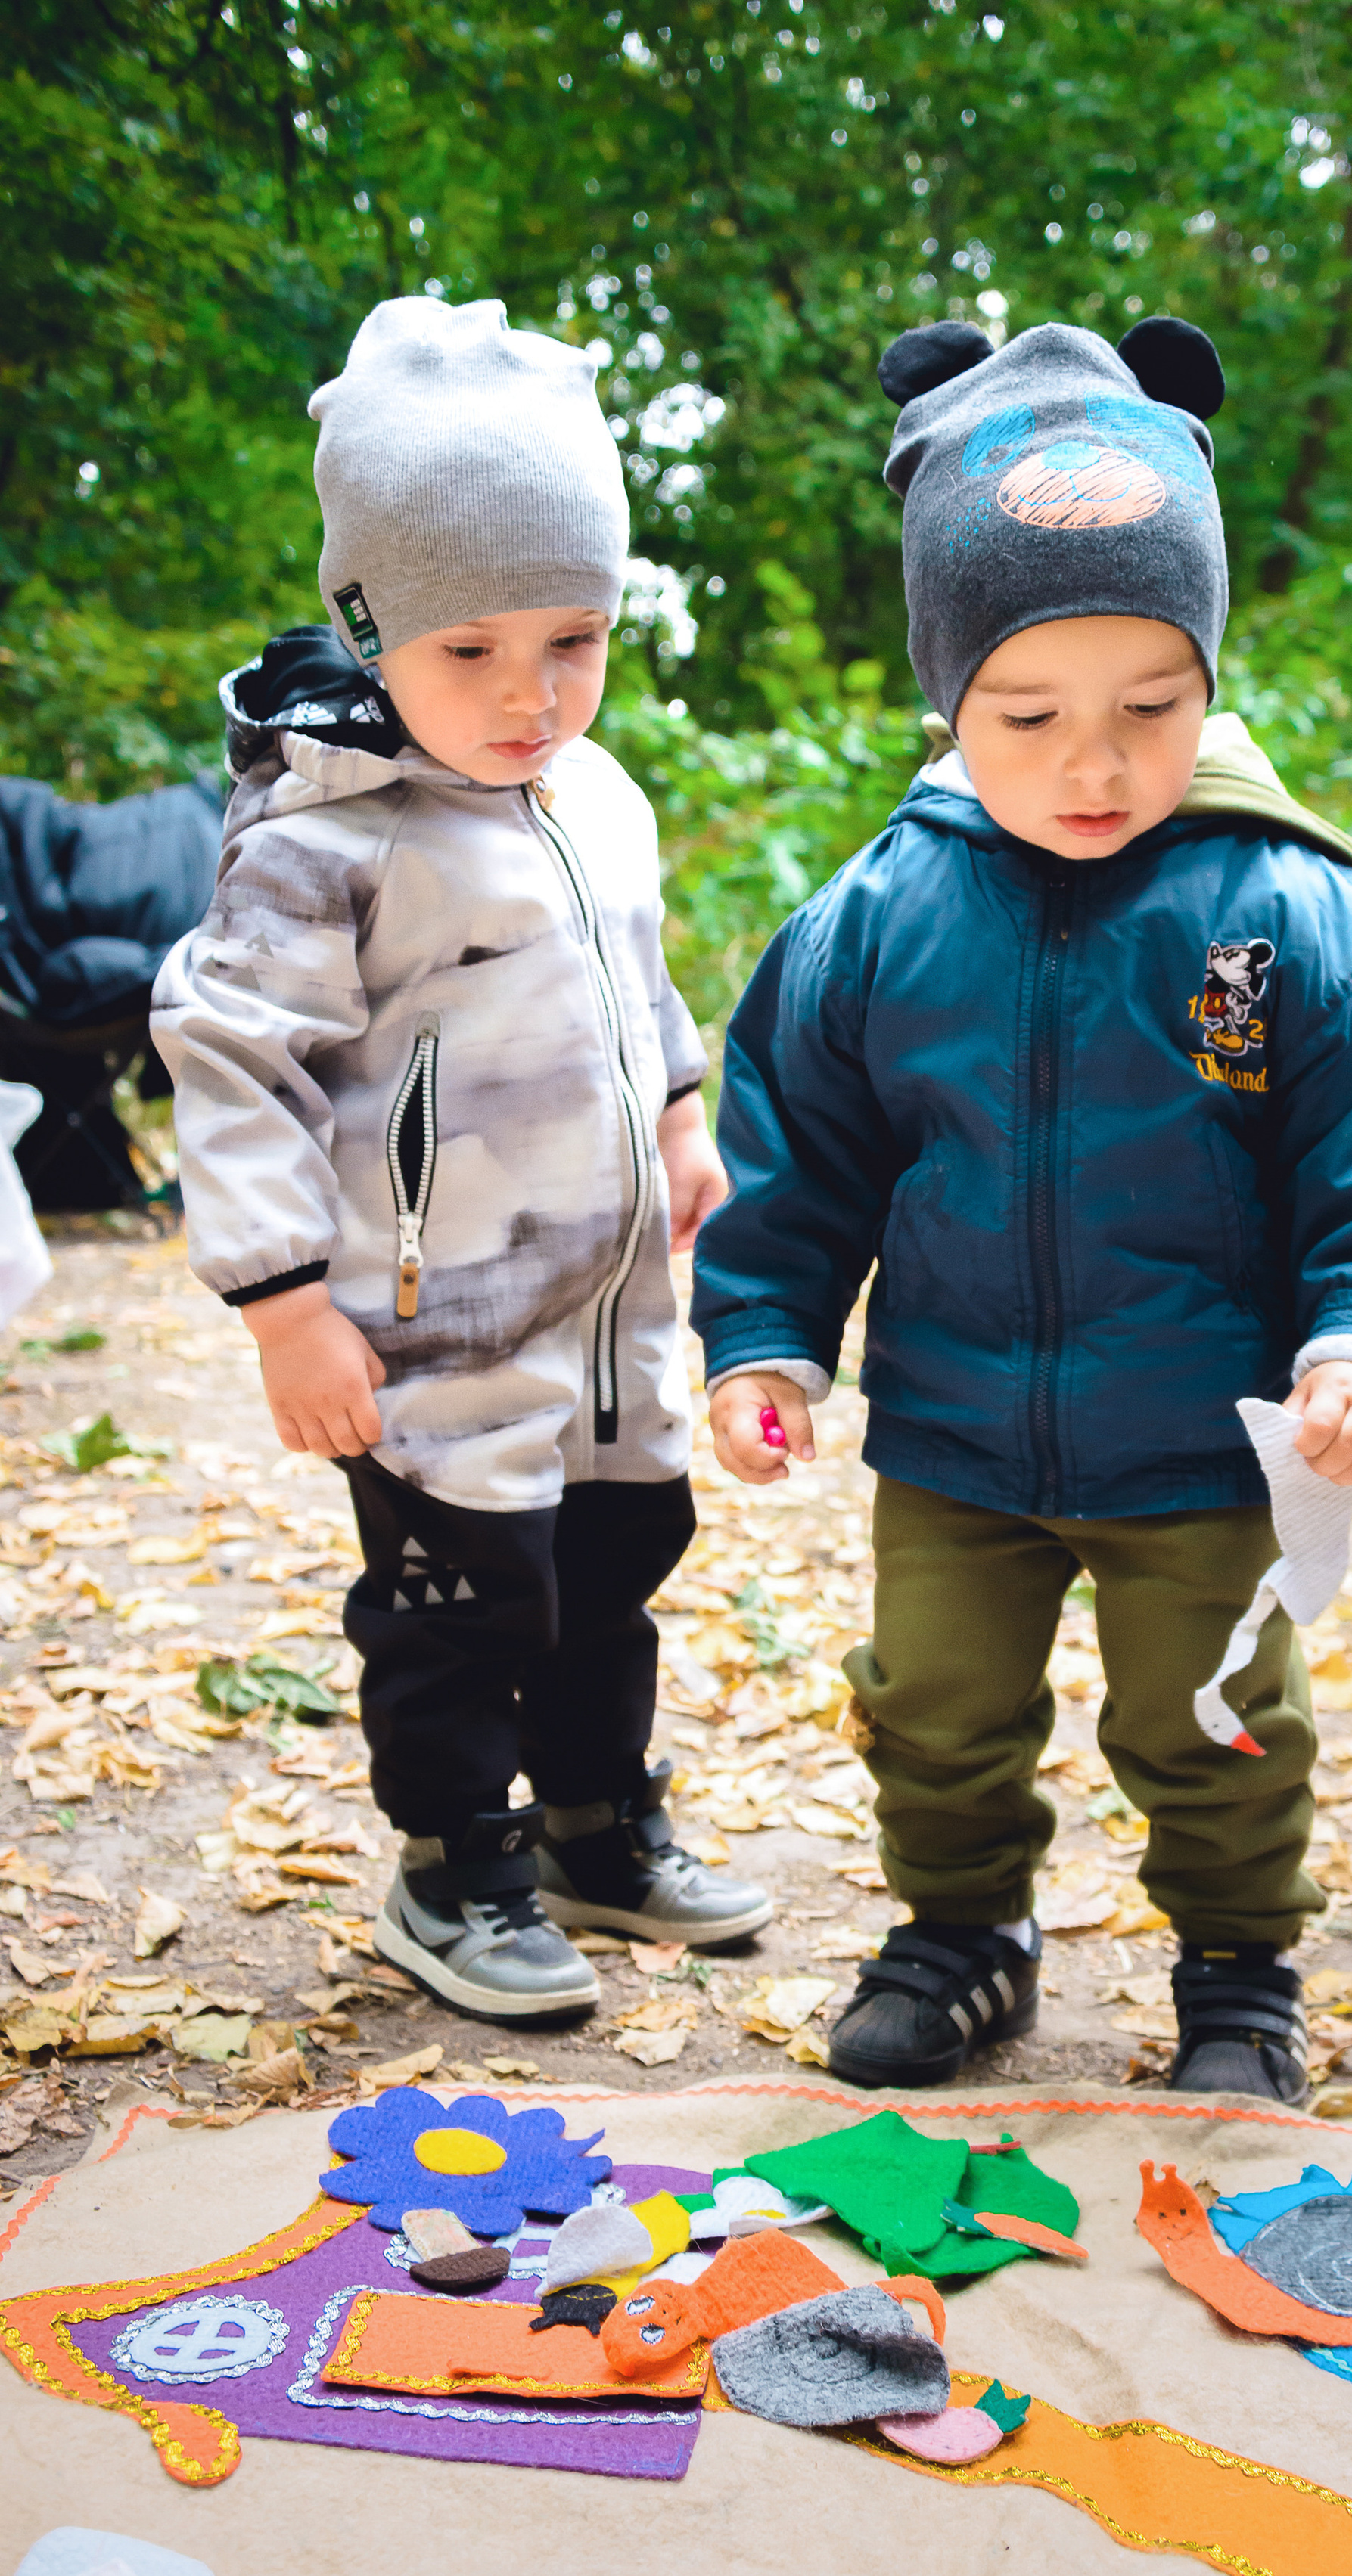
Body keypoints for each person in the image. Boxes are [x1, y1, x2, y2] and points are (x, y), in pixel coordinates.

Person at [692, 315, 1352, 2098]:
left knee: (1211, 1722)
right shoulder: (883, 913)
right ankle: (963, 1934)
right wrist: (766, 1335)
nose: (1095, 761)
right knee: (935, 1711)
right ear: (949, 695)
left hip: (1206, 1440)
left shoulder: (1286, 907)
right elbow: (800, 1142)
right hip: (955, 1436)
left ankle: (1236, 1969)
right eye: (1030, 713)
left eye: (1153, 706)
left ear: (1209, 682)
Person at [152, 295, 770, 2026]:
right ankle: (454, 1861)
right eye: (471, 649)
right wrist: (284, 1305)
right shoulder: (324, 836)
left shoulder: (599, 794)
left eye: (571, 638)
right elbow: (232, 1051)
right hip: (424, 1318)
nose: (530, 694)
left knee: (614, 1562)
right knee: (461, 1606)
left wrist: (677, 1115)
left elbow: (633, 976)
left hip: (607, 1315)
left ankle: (593, 1821)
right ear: (374, 627)